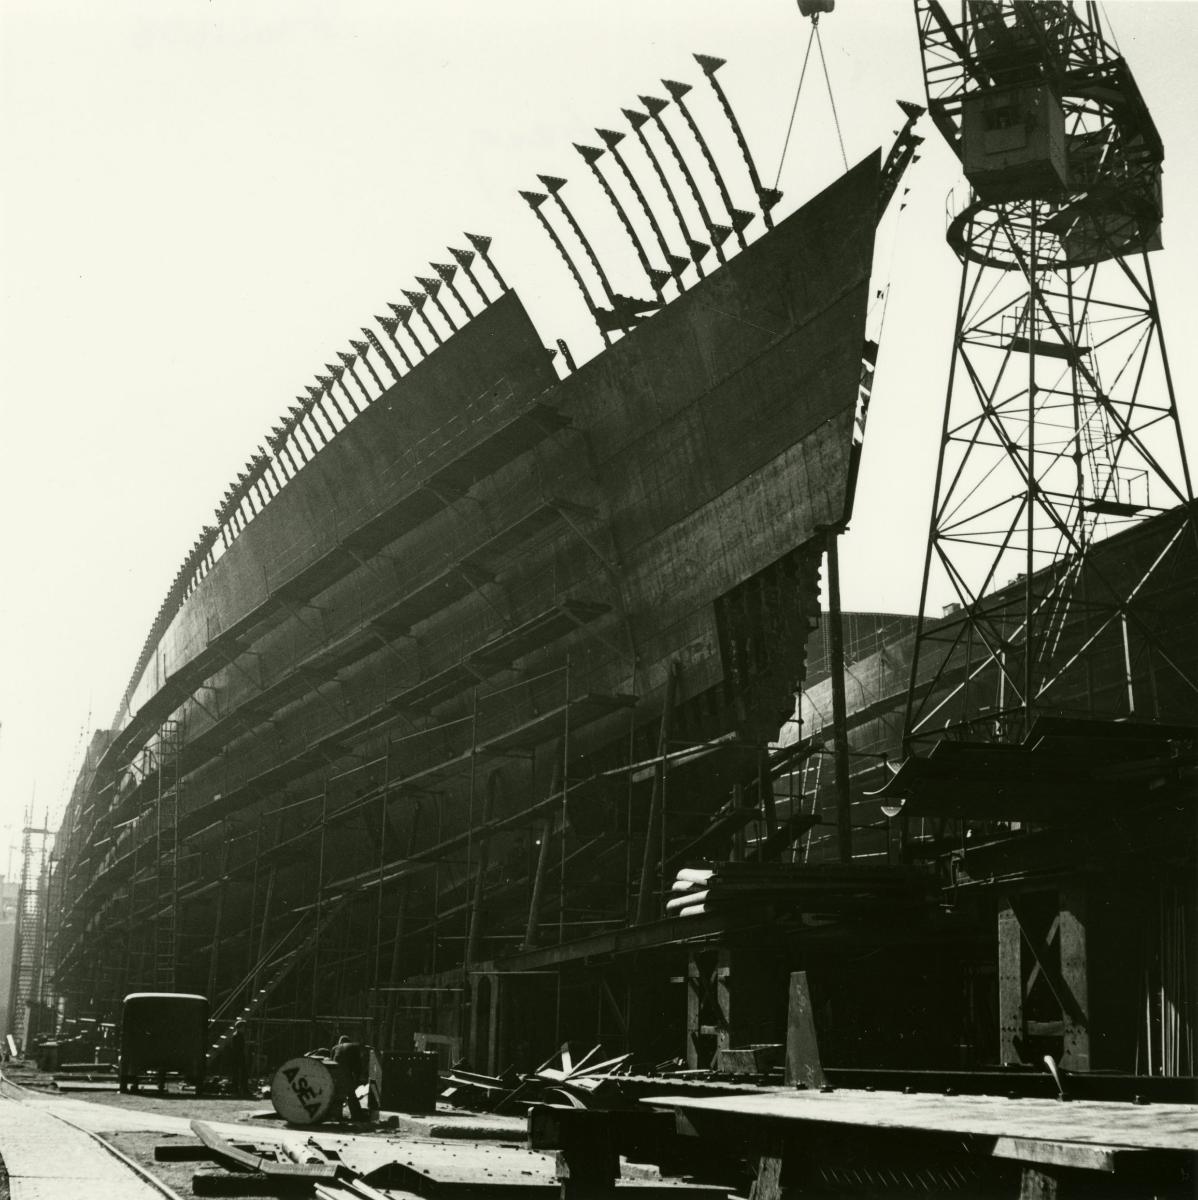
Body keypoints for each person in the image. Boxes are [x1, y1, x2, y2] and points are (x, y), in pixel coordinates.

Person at [331, 1034, 367, 1121]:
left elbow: (331, 1062)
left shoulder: (335, 1047)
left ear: (340, 1042)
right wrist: (357, 1079)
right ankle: (357, 1116)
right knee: (351, 1095)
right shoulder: (353, 1047)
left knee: (337, 1095)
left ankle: (337, 1115)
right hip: (346, 1073)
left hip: (335, 1073)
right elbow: (358, 1065)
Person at [227, 1019, 249, 1097]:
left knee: (239, 1074)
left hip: (237, 1056)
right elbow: (237, 1048)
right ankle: (240, 1090)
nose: (245, 1029)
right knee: (240, 1074)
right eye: (243, 1027)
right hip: (238, 1057)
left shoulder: (238, 1035)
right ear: (240, 1027)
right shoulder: (237, 1036)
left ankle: (239, 1090)